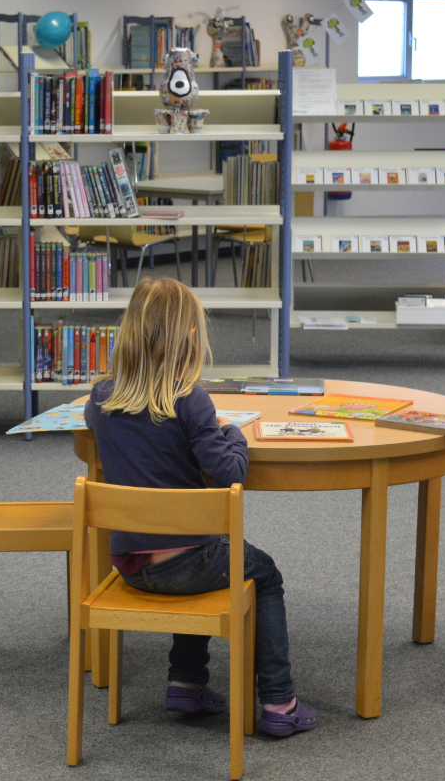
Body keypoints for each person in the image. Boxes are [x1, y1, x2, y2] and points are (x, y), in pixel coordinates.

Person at [83, 277, 317, 738]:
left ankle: (187, 682)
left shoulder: (99, 399)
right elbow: (230, 472)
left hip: (130, 563)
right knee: (260, 571)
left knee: (209, 550)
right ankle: (278, 700)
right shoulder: (190, 400)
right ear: (188, 337)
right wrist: (231, 432)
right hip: (188, 562)